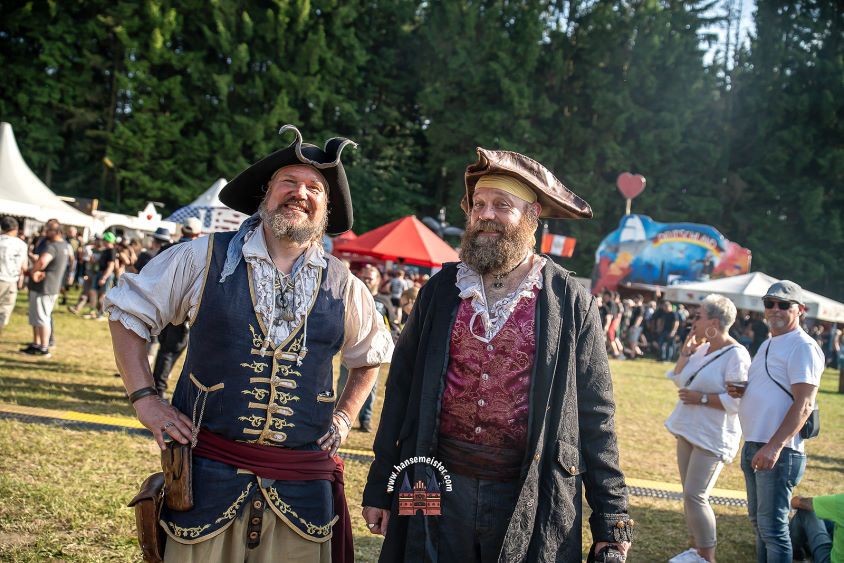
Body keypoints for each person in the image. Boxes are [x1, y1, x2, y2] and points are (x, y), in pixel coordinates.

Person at [104, 124, 393, 562]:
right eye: (288, 182)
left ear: (326, 208)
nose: (300, 193)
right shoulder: (203, 256)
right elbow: (127, 313)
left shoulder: (345, 285)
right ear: (265, 195)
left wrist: (343, 417)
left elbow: (370, 356)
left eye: (314, 188)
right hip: (207, 477)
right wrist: (145, 400)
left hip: (301, 490)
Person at [362, 147, 633, 562]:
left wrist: (611, 516)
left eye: (501, 205)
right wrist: (381, 485)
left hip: (529, 488)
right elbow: (399, 390)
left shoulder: (569, 300)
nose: (485, 215)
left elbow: (596, 413)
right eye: (478, 205)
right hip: (431, 480)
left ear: (532, 216)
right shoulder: (441, 291)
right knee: (421, 553)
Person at [728, 280, 825, 563]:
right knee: (761, 527)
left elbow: (804, 403)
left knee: (773, 529)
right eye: (769, 303)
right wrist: (748, 390)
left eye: (784, 304)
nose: (775, 309)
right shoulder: (770, 343)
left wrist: (774, 447)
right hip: (755, 443)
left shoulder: (803, 346)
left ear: (800, 310)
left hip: (779, 451)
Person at [665, 294, 751, 563]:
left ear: (714, 322)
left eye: (698, 316)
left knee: (696, 495)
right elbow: (680, 380)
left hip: (712, 436)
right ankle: (695, 551)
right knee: (689, 496)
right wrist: (686, 351)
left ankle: (707, 556)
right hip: (689, 429)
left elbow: (737, 401)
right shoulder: (703, 348)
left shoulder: (737, 355)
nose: (694, 321)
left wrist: (701, 398)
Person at [336, 265, 397, 432]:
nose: (367, 281)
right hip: (350, 349)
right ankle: (336, 416)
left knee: (369, 388)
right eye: (364, 277)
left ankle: (365, 420)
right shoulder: (351, 295)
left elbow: (393, 324)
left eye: (370, 278)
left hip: (372, 353)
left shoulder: (384, 301)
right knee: (342, 384)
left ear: (378, 281)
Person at [148, 219, 202, 398]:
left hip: (160, 304)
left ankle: (154, 384)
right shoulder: (198, 252)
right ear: (197, 234)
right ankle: (158, 387)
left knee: (163, 346)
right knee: (171, 349)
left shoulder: (168, 248)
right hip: (181, 309)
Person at [21, 219, 72, 357]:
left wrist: (33, 271)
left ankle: (43, 347)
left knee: (41, 317)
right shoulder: (64, 245)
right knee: (39, 317)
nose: (45, 232)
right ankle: (37, 344)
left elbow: (43, 261)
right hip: (50, 286)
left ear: (57, 232)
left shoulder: (53, 246)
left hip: (44, 286)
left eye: (49, 229)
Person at [789, 493, 843, 563]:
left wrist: (802, 499)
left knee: (806, 511)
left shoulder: (840, 502)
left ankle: (794, 554)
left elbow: (795, 502)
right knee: (827, 519)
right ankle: (807, 547)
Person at [0, 216, 28, 339]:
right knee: (4, 311)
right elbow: (24, 266)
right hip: (11, 281)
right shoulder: (21, 244)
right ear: (16, 228)